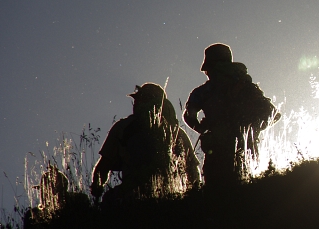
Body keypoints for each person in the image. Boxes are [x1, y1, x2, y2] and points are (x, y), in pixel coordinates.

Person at [183, 43, 280, 187]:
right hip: (247, 150)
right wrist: (253, 130)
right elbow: (273, 114)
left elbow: (188, 116)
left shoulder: (205, 91)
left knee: (218, 195)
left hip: (216, 153)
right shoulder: (247, 86)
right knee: (249, 191)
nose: (206, 73)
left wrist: (203, 129)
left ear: (211, 66)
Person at [91, 83, 201, 203]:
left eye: (138, 99)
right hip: (170, 196)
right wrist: (193, 196)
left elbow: (104, 166)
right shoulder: (176, 131)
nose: (135, 103)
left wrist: (97, 188)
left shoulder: (123, 127)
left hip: (132, 196)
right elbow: (192, 169)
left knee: (109, 201)